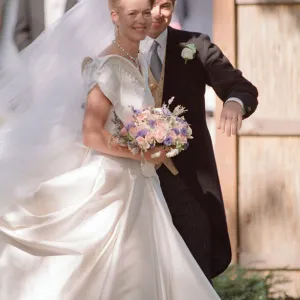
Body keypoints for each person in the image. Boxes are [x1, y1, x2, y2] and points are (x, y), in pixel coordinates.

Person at [0, 0, 221, 299]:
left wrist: (160, 134)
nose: (142, 21)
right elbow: (91, 134)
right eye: (133, 15)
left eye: (145, 13)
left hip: (143, 182)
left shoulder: (137, 59)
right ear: (115, 17)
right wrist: (142, 153)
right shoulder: (107, 65)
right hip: (115, 184)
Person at [140, 0, 258, 281]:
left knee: (194, 271)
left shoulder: (196, 45)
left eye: (165, 5)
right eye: (150, 5)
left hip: (190, 183)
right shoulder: (117, 50)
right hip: (135, 181)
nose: (158, 13)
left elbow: (240, 87)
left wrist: (234, 103)